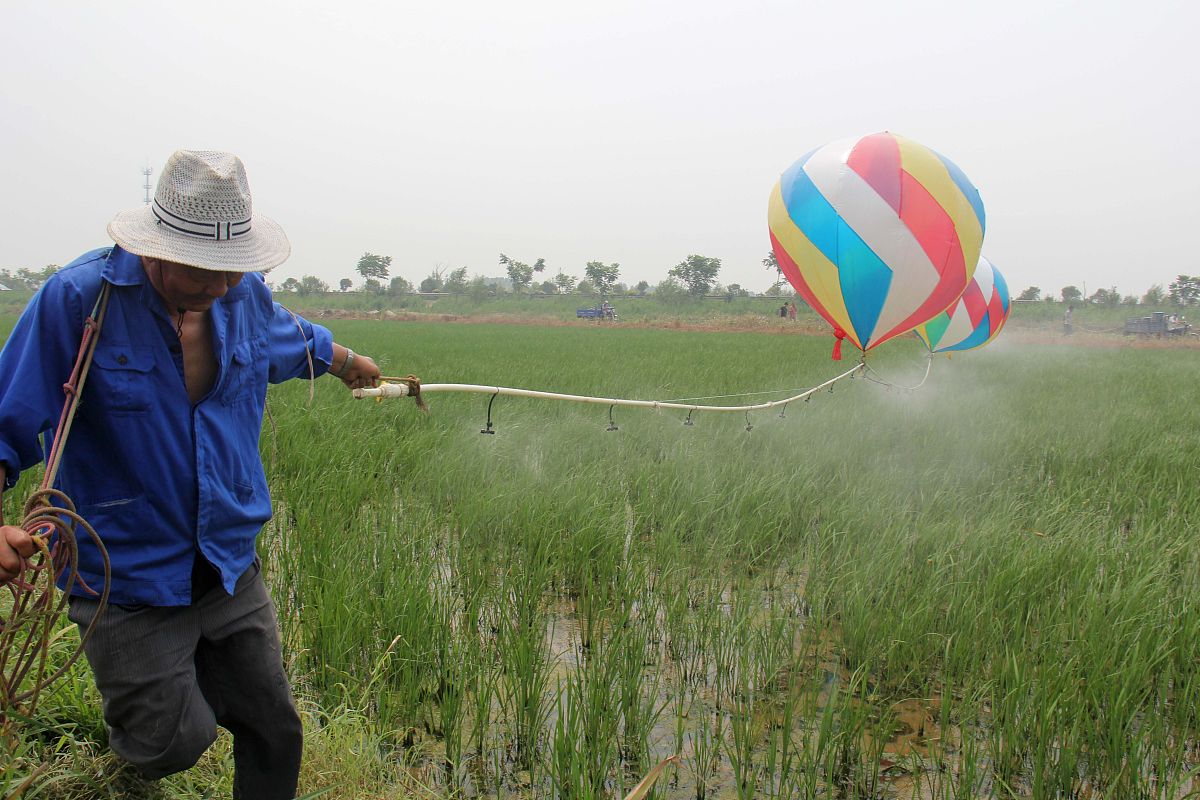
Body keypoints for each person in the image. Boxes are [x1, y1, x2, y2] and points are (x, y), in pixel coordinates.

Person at [0, 150, 381, 797]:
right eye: (204, 271)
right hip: (127, 576)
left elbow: (292, 340)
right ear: (154, 246)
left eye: (233, 272)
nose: (221, 288)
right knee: (174, 741)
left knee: (274, 728)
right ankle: (138, 750)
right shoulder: (80, 301)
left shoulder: (244, 298)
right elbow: (7, 415)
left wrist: (347, 362)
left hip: (228, 564)